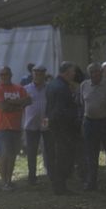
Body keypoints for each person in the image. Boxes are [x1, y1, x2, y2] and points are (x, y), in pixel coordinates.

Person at [80, 62, 106, 192]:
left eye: (97, 71)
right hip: (90, 123)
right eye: (92, 72)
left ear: (101, 72)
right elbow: (82, 103)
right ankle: (91, 183)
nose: (95, 74)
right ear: (89, 74)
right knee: (91, 155)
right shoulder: (84, 85)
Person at [0, 66, 31, 190]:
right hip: (2, 127)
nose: (4, 76)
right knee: (4, 155)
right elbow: (3, 107)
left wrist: (10, 102)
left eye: (6, 74)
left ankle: (9, 180)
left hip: (16, 127)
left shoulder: (19, 88)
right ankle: (4, 182)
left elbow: (29, 100)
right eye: (2, 74)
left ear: (11, 75)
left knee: (13, 155)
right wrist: (19, 104)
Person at [45, 61, 79, 195]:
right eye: (72, 71)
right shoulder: (62, 88)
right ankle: (60, 186)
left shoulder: (52, 85)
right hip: (62, 127)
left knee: (56, 155)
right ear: (66, 72)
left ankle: (58, 184)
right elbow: (61, 110)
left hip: (53, 125)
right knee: (63, 156)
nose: (74, 74)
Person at [23, 65, 53, 185]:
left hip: (45, 121)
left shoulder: (49, 88)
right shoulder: (26, 89)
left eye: (40, 74)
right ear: (32, 74)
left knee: (49, 150)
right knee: (31, 151)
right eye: (36, 73)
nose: (38, 76)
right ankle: (32, 176)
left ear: (44, 74)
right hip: (31, 123)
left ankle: (51, 173)